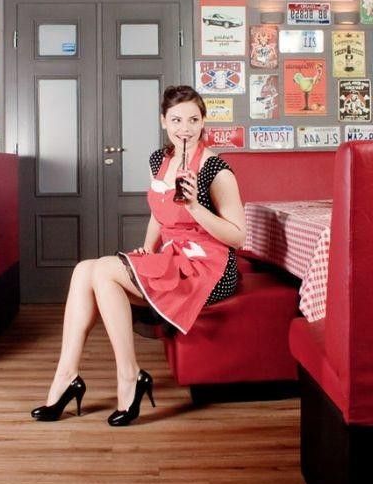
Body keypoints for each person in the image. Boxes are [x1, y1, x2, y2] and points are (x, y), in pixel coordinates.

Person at [31, 85, 246, 427]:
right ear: (163, 121)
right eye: (176, 120)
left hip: (210, 269)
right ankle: (66, 375)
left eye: (193, 120)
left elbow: (238, 237)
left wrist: (194, 206)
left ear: (203, 121)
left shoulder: (215, 169)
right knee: (84, 270)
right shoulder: (158, 160)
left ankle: (129, 376)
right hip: (173, 256)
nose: (185, 128)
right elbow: (158, 213)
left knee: (104, 271)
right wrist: (148, 248)